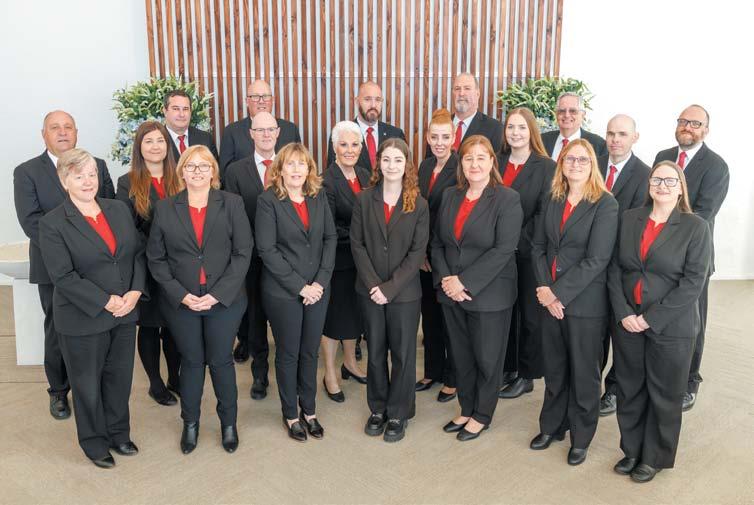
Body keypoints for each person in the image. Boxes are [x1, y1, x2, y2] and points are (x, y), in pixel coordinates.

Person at [39, 148, 145, 468]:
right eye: (79, 176)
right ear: (64, 181)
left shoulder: (118, 209)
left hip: (124, 312)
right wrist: (105, 300)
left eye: (92, 174)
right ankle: (94, 442)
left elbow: (136, 253)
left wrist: (135, 291)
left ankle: (118, 433)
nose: (88, 181)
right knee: (87, 385)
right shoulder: (53, 223)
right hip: (83, 317)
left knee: (119, 379)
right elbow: (63, 276)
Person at [607, 161, 711, 483]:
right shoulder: (630, 218)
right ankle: (632, 450)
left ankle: (654, 457)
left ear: (681, 188)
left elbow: (693, 284)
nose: (662, 185)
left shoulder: (695, 227)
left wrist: (650, 319)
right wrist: (624, 312)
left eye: (670, 180)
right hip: (628, 320)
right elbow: (614, 268)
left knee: (664, 393)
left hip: (670, 325)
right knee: (629, 388)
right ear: (649, 184)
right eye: (656, 180)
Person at [147, 145, 252, 454]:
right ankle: (190, 423)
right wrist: (182, 295)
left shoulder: (232, 203)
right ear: (181, 172)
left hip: (225, 301)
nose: (197, 171)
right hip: (183, 302)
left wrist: (217, 295)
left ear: (213, 171)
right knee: (192, 362)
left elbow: (243, 252)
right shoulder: (165, 208)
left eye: (204, 166)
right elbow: (156, 259)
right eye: (190, 166)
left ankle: (228, 424)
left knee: (221, 361)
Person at [13, 110, 115, 420]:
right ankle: (58, 391)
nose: (62, 132)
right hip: (53, 268)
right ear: (43, 134)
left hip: (98, 268)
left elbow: (109, 211)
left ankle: (95, 385)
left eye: (68, 127)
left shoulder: (97, 166)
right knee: (58, 329)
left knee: (99, 326)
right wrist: (71, 253)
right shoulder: (27, 171)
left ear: (76, 132)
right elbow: (31, 222)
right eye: (54, 127)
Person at [529, 139, 618, 465]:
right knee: (554, 368)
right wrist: (544, 287)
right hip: (549, 298)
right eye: (570, 159)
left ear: (592, 165)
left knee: (584, 373)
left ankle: (581, 437)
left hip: (584, 304)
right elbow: (538, 247)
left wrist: (557, 293)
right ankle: (552, 426)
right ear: (562, 163)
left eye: (582, 160)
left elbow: (597, 260)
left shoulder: (605, 204)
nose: (575, 164)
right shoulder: (552, 197)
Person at [430, 135, 522, 442]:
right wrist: (447, 280)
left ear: (492, 162)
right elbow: (438, 243)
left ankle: (482, 414)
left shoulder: (507, 199)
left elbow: (503, 250)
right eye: (469, 158)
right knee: (461, 356)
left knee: (487, 358)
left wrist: (463, 282)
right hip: (451, 293)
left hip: (489, 294)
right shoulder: (450, 195)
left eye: (481, 157)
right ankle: (466, 408)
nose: (474, 164)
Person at [255, 143, 337, 442]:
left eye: (302, 164)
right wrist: (300, 286)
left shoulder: (318, 196)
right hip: (283, 291)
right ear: (279, 169)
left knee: (309, 351)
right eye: (290, 164)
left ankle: (310, 410)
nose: (296, 169)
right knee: (289, 353)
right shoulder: (268, 201)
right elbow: (267, 250)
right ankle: (291, 413)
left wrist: (320, 283)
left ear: (309, 169)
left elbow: (330, 238)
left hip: (318, 289)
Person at [350, 138, 429, 443]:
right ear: (378, 163)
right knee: (375, 352)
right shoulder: (363, 199)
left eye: (398, 160)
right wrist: (375, 286)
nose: (391, 165)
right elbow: (357, 244)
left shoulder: (419, 204)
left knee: (403, 354)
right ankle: (378, 408)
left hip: (404, 294)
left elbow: (417, 253)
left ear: (407, 164)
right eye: (386, 160)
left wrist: (390, 288)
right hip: (369, 291)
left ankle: (398, 412)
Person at [653, 104, 729, 412]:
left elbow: (703, 213)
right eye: (683, 121)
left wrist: (666, 233)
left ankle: (689, 381)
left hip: (693, 257)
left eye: (695, 123)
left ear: (706, 130)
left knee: (692, 322)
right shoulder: (663, 157)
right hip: (657, 255)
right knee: (660, 312)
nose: (687, 126)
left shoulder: (716, 166)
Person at [115, 121, 182, 406]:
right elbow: (125, 229)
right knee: (151, 326)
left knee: (176, 326)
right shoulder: (127, 182)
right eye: (149, 141)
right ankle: (156, 384)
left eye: (160, 141)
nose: (155, 147)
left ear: (169, 146)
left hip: (179, 266)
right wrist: (156, 247)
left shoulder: (181, 177)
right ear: (139, 148)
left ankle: (176, 378)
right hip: (146, 265)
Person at [496, 107, 557, 400]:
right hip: (497, 252)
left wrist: (513, 240)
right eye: (511, 127)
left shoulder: (546, 167)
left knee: (530, 316)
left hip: (529, 250)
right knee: (505, 311)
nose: (515, 133)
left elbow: (544, 214)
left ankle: (527, 374)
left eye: (521, 127)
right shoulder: (497, 161)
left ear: (531, 131)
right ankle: (508, 367)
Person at [596, 114, 651, 416]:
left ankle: (614, 390)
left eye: (622, 134)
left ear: (635, 137)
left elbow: (639, 224)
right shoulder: (592, 164)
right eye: (610, 133)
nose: (615, 139)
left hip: (621, 263)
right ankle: (590, 385)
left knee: (621, 333)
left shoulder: (644, 174)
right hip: (591, 262)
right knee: (594, 332)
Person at [224, 111, 280, 399]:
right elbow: (234, 219)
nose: (266, 134)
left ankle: (288, 373)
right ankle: (260, 375)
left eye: (271, 129)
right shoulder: (236, 171)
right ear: (251, 134)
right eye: (260, 130)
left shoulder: (291, 165)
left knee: (284, 320)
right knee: (256, 319)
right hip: (253, 260)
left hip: (286, 260)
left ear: (278, 132)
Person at [321, 121, 370, 402]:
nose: (349, 150)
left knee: (353, 316)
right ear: (334, 147)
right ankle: (329, 373)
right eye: (343, 144)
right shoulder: (326, 180)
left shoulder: (365, 175)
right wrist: (363, 235)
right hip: (338, 262)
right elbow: (329, 227)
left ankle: (350, 363)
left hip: (361, 263)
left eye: (354, 144)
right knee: (333, 319)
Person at [415, 109, 459, 403]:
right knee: (429, 316)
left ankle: (452, 378)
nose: (439, 142)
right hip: (424, 254)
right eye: (434, 137)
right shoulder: (424, 166)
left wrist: (434, 250)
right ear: (428, 138)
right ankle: (432, 370)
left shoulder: (460, 168)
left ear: (453, 138)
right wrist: (420, 251)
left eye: (445, 137)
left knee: (448, 319)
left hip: (446, 254)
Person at [219, 79, 301, 174]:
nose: (261, 101)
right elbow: (226, 173)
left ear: (272, 100)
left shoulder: (290, 130)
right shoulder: (232, 132)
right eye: (255, 96)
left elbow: (300, 164)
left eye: (266, 96)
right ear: (247, 101)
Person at [327, 81, 405, 171]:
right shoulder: (341, 133)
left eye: (378, 100)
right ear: (357, 101)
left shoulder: (396, 134)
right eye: (367, 99)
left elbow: (405, 171)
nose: (373, 105)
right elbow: (332, 173)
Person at [425, 73, 503, 157]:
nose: (461, 93)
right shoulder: (439, 125)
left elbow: (496, 163)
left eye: (467, 88)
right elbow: (430, 161)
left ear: (477, 94)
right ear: (453, 93)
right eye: (457, 88)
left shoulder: (494, 128)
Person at [541, 92, 607, 161]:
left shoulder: (599, 145)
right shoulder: (541, 141)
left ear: (583, 115)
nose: (567, 115)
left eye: (572, 111)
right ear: (556, 114)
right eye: (562, 111)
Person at [163, 90, 218, 161]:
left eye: (185, 109)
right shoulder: (157, 139)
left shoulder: (205, 139)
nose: (181, 114)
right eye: (176, 109)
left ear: (190, 111)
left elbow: (214, 167)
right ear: (165, 111)